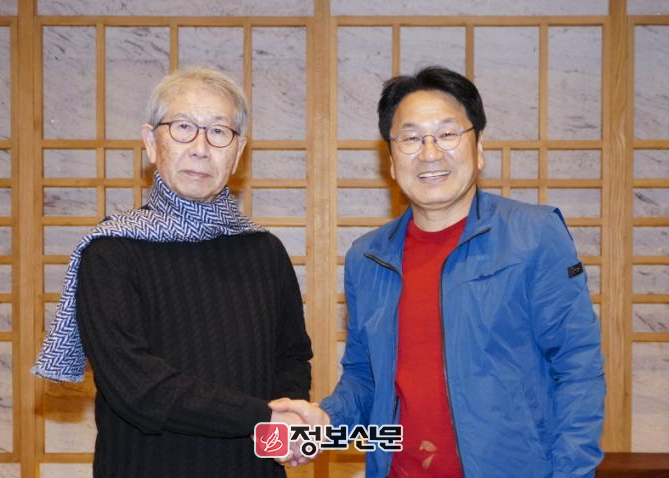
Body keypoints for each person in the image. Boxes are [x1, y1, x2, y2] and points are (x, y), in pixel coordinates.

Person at [272, 66, 605, 477]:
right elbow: (365, 378)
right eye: (411, 138)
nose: (430, 153)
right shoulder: (367, 258)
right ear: (391, 161)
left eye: (447, 134)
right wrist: (324, 423)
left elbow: (578, 367)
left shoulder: (534, 235)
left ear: (478, 148)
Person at [33, 66, 313, 477]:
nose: (200, 148)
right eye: (183, 127)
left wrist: (284, 423)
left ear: (238, 152)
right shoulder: (110, 251)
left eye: (218, 132)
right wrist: (264, 418)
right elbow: (137, 387)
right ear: (151, 142)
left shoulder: (265, 250)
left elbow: (291, 357)